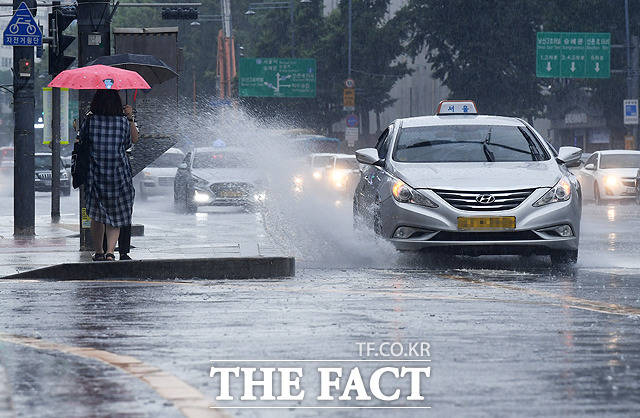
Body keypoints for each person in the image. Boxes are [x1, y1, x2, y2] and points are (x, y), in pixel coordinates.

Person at [81, 90, 139, 261]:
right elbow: (132, 141)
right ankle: (111, 253)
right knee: (117, 215)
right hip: (119, 174)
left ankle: (99, 251)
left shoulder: (90, 121)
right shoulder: (122, 122)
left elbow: (82, 139)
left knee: (97, 215)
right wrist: (130, 118)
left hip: (96, 174)